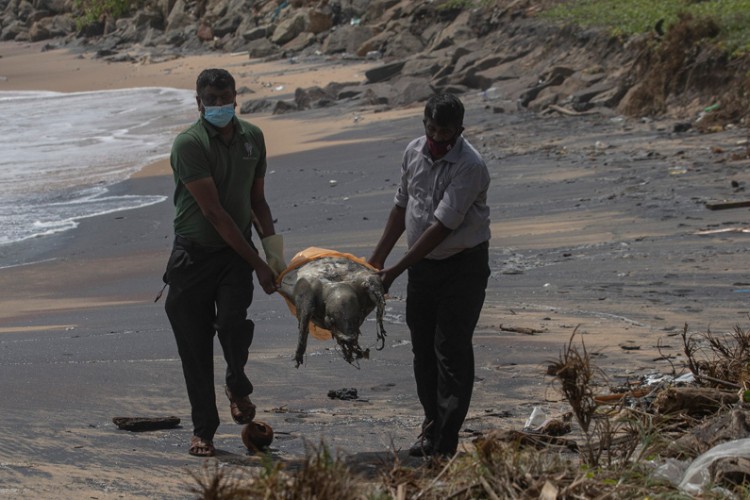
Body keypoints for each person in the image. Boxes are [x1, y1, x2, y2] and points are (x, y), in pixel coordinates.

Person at [162, 68, 281, 457]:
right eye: (210, 100)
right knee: (195, 348)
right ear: (198, 103)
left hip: (235, 255)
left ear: (235, 98)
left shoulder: (252, 138)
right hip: (194, 255)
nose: (218, 105)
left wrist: (274, 256)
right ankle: (204, 431)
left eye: (224, 98)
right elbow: (215, 214)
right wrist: (258, 263)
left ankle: (236, 383)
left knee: (232, 322)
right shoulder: (189, 144)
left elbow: (258, 201)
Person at [368, 93, 491, 458]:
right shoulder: (413, 152)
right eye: (432, 129)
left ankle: (446, 442)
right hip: (422, 268)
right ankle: (431, 426)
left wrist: (395, 270)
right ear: (424, 125)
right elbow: (401, 207)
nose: (438, 140)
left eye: (446, 133)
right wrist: (376, 260)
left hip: (462, 267)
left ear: (460, 130)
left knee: (450, 349)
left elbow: (441, 227)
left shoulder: (471, 166)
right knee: (423, 350)